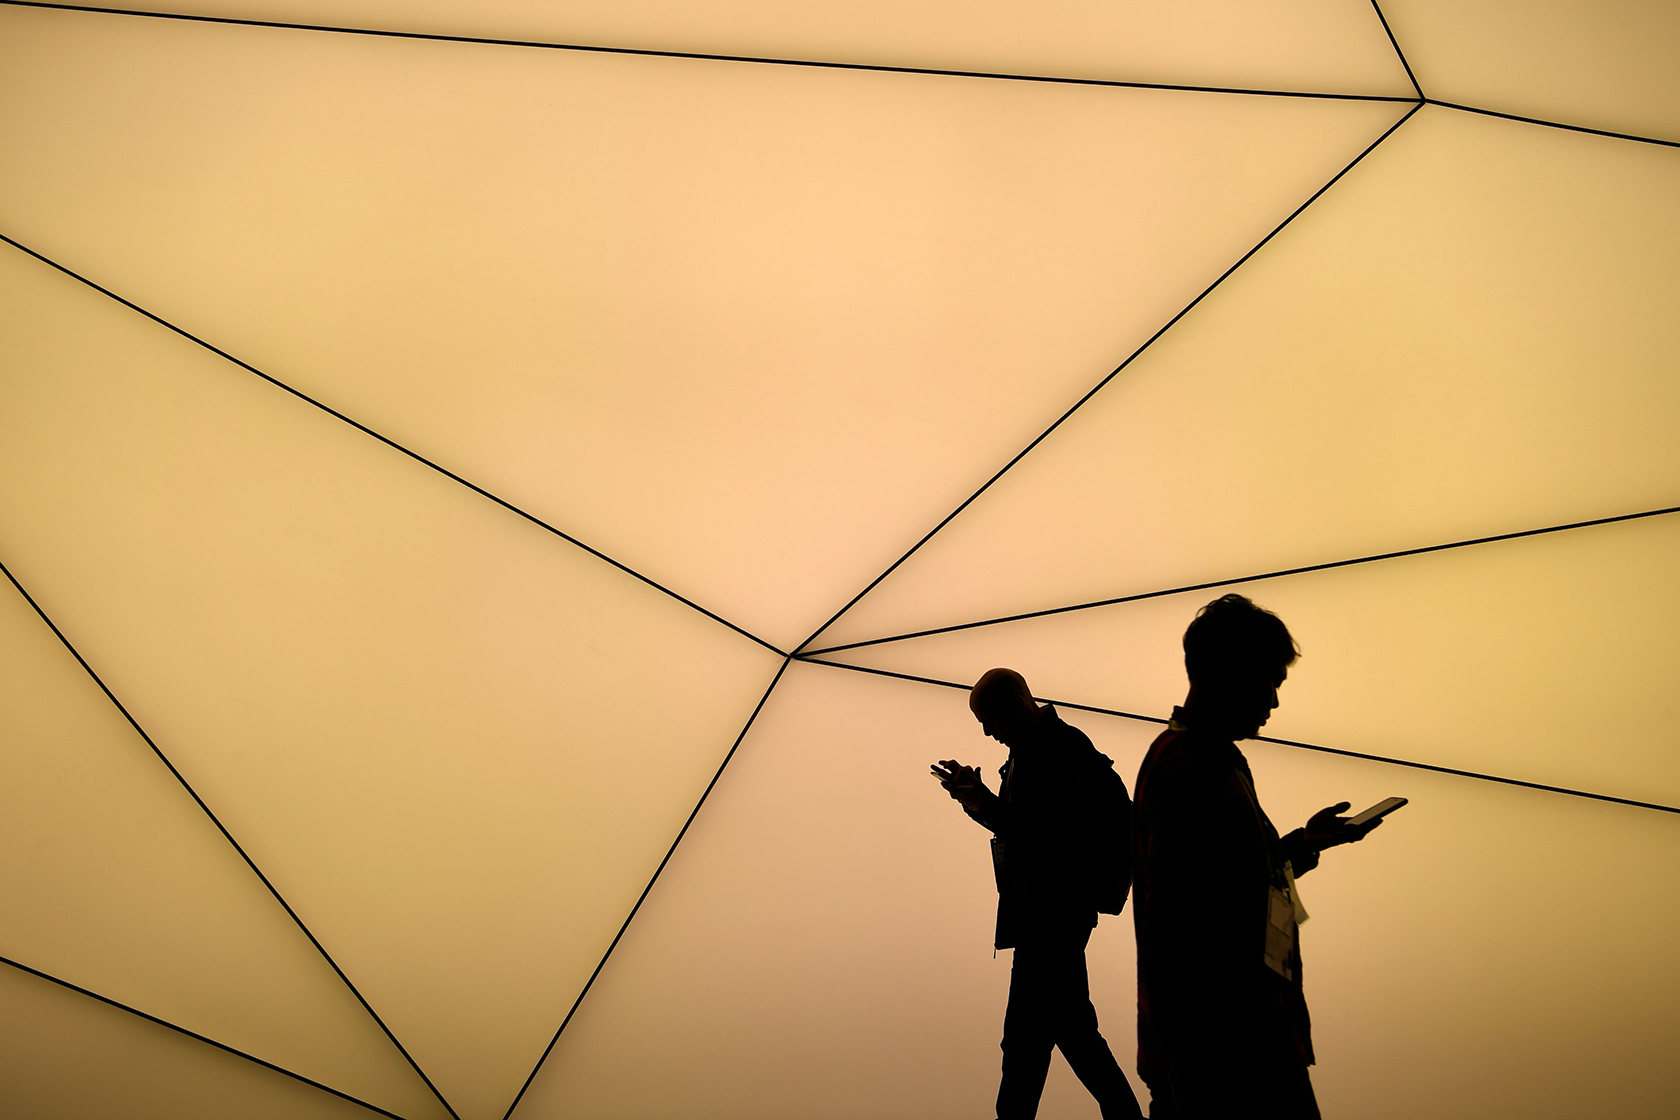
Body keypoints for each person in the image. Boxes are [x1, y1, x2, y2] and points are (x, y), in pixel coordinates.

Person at [1133, 594, 1384, 1119]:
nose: (1273, 701)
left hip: (1236, 1040)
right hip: (1231, 1048)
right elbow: (1176, 929)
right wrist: (1188, 1073)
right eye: (1269, 681)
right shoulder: (1194, 772)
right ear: (1230, 672)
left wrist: (1304, 844)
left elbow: (1230, 880)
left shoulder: (1204, 759)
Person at [932, 668, 1144, 1120]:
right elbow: (1029, 828)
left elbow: (1047, 837)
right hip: (1051, 914)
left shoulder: (1062, 751)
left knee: (1025, 1041)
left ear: (1016, 704)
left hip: (1053, 916)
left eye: (990, 719)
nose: (988, 732)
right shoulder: (1040, 752)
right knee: (1074, 1032)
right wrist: (979, 800)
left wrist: (984, 802)